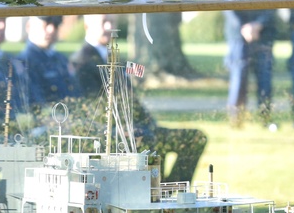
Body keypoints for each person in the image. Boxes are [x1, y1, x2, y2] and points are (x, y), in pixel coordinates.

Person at [69, 14, 206, 184]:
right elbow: (92, 107)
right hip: (112, 133)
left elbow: (131, 99)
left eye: (112, 22)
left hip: (139, 126)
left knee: (194, 138)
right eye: (104, 22)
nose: (108, 27)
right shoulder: (81, 62)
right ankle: (154, 195)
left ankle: (172, 190)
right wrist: (127, 129)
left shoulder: (116, 58)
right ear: (87, 25)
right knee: (148, 139)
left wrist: (148, 122)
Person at [224, 8, 277, 127]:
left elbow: (271, 6)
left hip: (264, 34)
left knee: (265, 80)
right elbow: (228, 4)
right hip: (238, 35)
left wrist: (259, 24)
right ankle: (236, 120)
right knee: (238, 81)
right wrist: (244, 27)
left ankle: (265, 119)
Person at [17, 15, 76, 108]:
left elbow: (75, 93)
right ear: (29, 26)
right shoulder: (23, 63)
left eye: (56, 24)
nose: (51, 29)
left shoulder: (62, 60)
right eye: (46, 23)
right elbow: (35, 103)